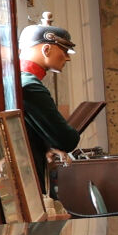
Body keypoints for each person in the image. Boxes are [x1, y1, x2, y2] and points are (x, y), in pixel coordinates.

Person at [18, 19, 82, 189]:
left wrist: (48, 146)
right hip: (29, 176)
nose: (68, 58)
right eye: (64, 51)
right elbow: (67, 140)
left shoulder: (18, 81)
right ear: (46, 49)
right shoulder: (30, 86)